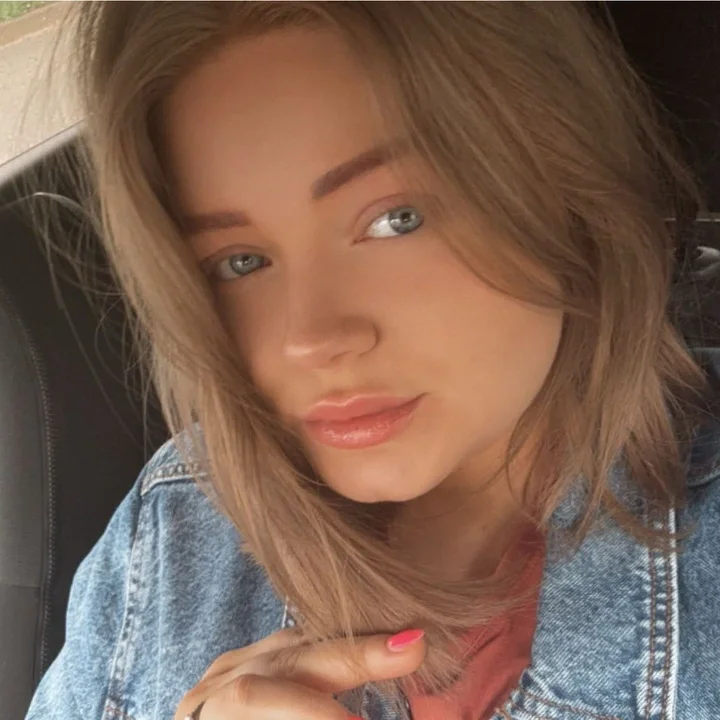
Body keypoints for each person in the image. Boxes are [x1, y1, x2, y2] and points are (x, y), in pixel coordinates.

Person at [23, 2, 720, 719]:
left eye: (396, 220)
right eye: (240, 262)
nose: (309, 339)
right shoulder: (174, 524)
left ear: (566, 192)